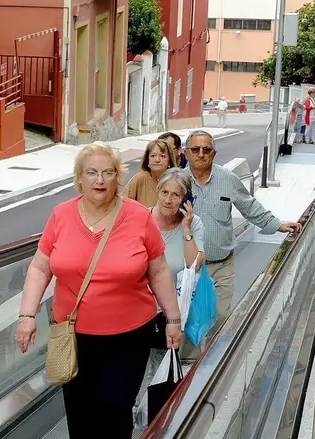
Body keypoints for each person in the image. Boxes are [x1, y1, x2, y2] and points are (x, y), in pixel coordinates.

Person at [15, 142, 183, 439]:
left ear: (118, 177)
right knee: (80, 408)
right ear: (79, 178)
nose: (100, 179)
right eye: (91, 172)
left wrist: (172, 318)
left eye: (108, 172)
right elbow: (40, 266)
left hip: (129, 333)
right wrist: (27, 315)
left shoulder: (138, 216)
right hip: (73, 333)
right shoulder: (61, 215)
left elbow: (159, 270)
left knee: (115, 404)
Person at [184, 131, 303, 337]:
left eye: (206, 150)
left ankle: (212, 364)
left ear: (214, 154)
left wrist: (278, 225)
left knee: (219, 316)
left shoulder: (227, 179)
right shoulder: (178, 182)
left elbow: (250, 207)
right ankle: (188, 364)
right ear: (186, 153)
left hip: (221, 264)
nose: (201, 154)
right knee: (189, 317)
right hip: (187, 268)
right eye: (195, 149)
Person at [147, 168, 206, 363]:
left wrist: (186, 229)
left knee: (162, 370)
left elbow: (194, 265)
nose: (168, 199)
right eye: (164, 192)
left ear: (186, 199)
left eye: (175, 195)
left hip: (173, 312)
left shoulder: (193, 223)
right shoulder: (142, 220)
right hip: (141, 310)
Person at [123, 138, 176, 207]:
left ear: (169, 161)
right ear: (148, 160)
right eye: (153, 156)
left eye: (162, 156)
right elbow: (122, 204)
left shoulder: (176, 182)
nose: (157, 160)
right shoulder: (140, 178)